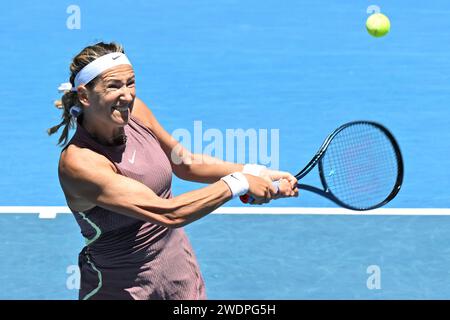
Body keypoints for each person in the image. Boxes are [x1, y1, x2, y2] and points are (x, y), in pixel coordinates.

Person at [48, 42, 299, 300]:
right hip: (123, 290)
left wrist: (254, 171)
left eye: (130, 83)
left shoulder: (135, 113)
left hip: (179, 279)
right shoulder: (80, 164)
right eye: (114, 86)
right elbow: (169, 213)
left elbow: (184, 162)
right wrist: (239, 183)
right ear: (85, 96)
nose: (127, 96)